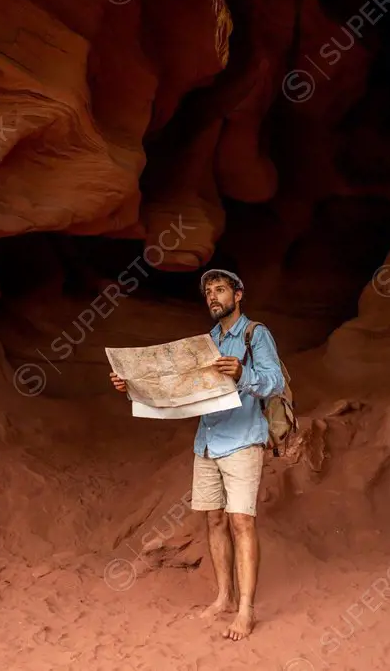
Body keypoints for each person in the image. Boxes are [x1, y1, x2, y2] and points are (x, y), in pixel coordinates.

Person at [109, 268, 286, 641]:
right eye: (208, 292)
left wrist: (242, 373)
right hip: (207, 442)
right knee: (214, 522)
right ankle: (223, 597)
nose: (213, 297)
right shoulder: (205, 342)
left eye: (220, 290)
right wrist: (131, 387)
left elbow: (275, 382)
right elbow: (177, 392)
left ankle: (246, 610)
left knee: (242, 522)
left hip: (242, 440)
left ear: (238, 295)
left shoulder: (256, 334)